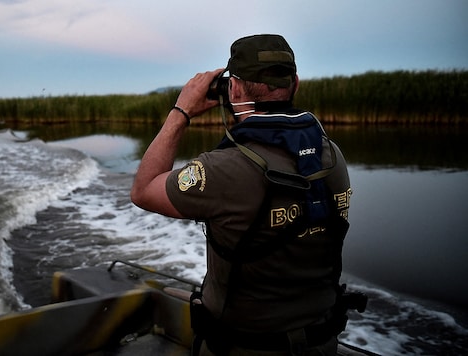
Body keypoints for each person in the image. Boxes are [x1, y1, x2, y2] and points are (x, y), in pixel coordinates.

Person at [131, 34, 353, 356]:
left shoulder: (223, 169)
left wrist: (181, 111)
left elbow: (143, 190)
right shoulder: (331, 155)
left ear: (233, 89)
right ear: (296, 85)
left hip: (243, 347)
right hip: (320, 342)